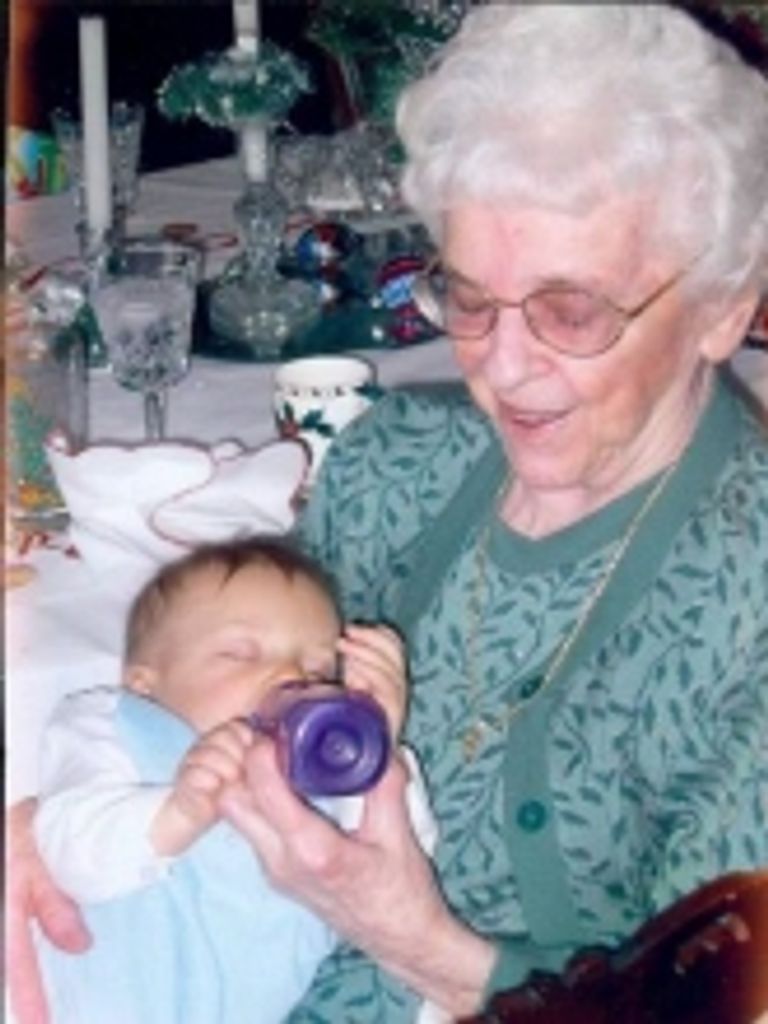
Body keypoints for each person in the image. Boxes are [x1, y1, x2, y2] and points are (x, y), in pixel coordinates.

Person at [8, 5, 768, 1023]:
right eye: (470, 298)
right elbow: (212, 696)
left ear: (723, 306)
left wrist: (417, 939)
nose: (502, 368)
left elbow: (711, 1005)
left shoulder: (749, 607)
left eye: (571, 311)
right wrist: (59, 818)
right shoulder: (396, 461)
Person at [29, 536, 438, 1024]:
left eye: (319, 669)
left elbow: (403, 864)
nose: (291, 675)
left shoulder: (321, 781)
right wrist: (177, 813)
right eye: (242, 653)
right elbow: (68, 852)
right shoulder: (116, 724)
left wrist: (376, 753)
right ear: (144, 683)